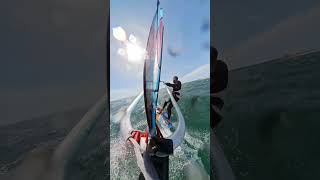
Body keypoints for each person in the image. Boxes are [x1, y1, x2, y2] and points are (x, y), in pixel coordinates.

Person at [211, 46, 228, 129]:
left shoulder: (221, 67)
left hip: (219, 96)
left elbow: (221, 86)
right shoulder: (220, 65)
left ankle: (217, 123)